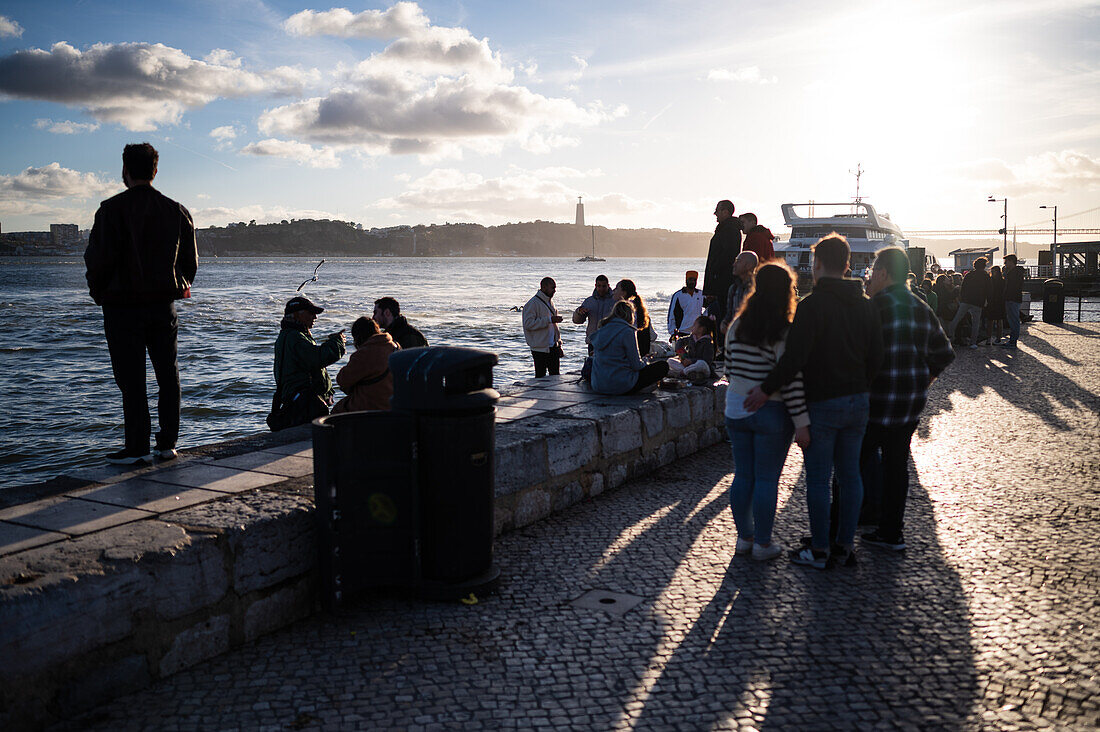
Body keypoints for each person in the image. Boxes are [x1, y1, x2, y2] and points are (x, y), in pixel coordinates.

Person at [744, 234, 883, 569]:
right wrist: (861, 387)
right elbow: (877, 356)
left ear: (816, 264)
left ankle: (819, 550)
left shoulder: (811, 305)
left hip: (822, 403)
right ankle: (845, 547)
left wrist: (765, 389)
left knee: (819, 479)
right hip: (859, 402)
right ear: (848, 265)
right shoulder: (866, 304)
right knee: (851, 477)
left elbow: (795, 359)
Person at [84, 142, 197, 464]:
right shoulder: (175, 210)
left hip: (121, 305)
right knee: (168, 373)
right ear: (155, 170)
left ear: (125, 170)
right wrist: (177, 287)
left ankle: (137, 447)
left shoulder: (111, 209)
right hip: (163, 305)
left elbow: (98, 259)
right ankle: (168, 443)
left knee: (131, 379)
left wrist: (99, 293)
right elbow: (190, 263)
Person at [861, 247, 955, 551]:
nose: (870, 276)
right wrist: (923, 380)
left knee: (855, 463)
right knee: (896, 467)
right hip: (907, 406)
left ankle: (852, 522)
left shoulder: (871, 309)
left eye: (874, 270)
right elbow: (944, 353)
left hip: (873, 404)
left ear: (884, 273)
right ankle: (892, 532)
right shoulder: (921, 307)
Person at [724, 262, 810, 561]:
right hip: (771, 411)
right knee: (766, 480)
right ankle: (762, 544)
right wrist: (801, 423)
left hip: (735, 408)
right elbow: (792, 379)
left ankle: (744, 539)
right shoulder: (783, 330)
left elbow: (728, 367)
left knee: (742, 476)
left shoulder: (737, 325)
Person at [273, 296, 346, 429]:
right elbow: (318, 358)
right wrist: (337, 342)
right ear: (297, 314)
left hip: (299, 401)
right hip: (303, 404)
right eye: (311, 313)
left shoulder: (288, 335)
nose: (315, 317)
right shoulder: (295, 337)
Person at [590, 300, 669, 395]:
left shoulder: (602, 329)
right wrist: (645, 361)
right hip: (619, 385)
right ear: (631, 315)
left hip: (598, 385)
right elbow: (636, 365)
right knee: (663, 366)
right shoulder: (627, 331)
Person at [332, 317, 398, 414]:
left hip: (372, 405)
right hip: (392, 404)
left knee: (336, 412)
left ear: (358, 337)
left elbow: (342, 380)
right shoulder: (394, 346)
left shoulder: (366, 353)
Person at [703, 200, 742, 323]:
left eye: (717, 210)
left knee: (721, 318)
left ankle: (722, 342)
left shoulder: (729, 230)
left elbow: (727, 256)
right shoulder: (725, 229)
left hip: (721, 283)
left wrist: (714, 280)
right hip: (720, 282)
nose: (715, 213)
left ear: (725, 212)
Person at [522, 277, 564, 377]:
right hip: (539, 349)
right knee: (540, 378)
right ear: (544, 287)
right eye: (552, 288)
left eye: (555, 288)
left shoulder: (550, 302)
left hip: (553, 347)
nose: (555, 290)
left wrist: (559, 344)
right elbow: (528, 324)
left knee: (555, 377)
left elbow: (555, 328)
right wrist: (549, 320)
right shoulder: (532, 303)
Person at [947, 257, 991, 349]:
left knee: (956, 319)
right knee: (976, 323)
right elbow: (988, 290)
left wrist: (963, 298)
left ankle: (949, 337)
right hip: (978, 302)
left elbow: (963, 288)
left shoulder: (969, 275)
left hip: (966, 301)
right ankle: (973, 343)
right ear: (984, 266)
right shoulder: (985, 276)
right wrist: (986, 301)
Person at [572, 274, 615, 355]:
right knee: (593, 366)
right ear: (595, 286)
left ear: (608, 286)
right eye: (599, 286)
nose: (601, 289)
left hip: (610, 342)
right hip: (593, 342)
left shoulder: (614, 301)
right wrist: (579, 312)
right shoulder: (589, 301)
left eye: (604, 286)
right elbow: (577, 321)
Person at [719, 251, 759, 336]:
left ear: (749, 266)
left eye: (738, 261)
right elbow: (729, 314)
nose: (734, 264)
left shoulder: (758, 288)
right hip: (735, 338)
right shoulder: (733, 289)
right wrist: (724, 323)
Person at [667, 316, 716, 381]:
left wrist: (691, 361)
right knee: (670, 361)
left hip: (702, 368)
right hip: (689, 366)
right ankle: (690, 374)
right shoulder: (692, 338)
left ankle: (682, 373)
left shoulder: (708, 342)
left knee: (701, 363)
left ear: (701, 329)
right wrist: (683, 356)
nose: (692, 327)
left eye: (694, 325)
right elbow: (680, 341)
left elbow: (707, 361)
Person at [613, 279, 653, 356]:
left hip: (628, 354)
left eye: (617, 288)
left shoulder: (624, 310)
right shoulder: (641, 309)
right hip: (642, 353)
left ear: (623, 293)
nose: (613, 290)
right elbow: (653, 335)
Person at [666, 270, 705, 339]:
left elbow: (709, 308)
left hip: (697, 332)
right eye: (690, 279)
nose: (692, 282)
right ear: (686, 280)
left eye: (694, 280)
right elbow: (671, 315)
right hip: (682, 331)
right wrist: (672, 332)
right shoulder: (678, 295)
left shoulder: (701, 294)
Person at [999, 254, 1025, 349]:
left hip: (1013, 298)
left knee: (1014, 320)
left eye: (1006, 262)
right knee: (1012, 319)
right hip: (1011, 298)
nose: (1005, 264)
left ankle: (1013, 341)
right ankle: (1012, 340)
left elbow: (1013, 286)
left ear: (1011, 261)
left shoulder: (1015, 273)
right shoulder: (1014, 272)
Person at [984, 265, 1005, 345]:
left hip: (996, 302)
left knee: (996, 321)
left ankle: (996, 338)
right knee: (992, 321)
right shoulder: (1000, 281)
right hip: (994, 302)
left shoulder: (993, 280)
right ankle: (992, 338)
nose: (992, 273)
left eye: (994, 271)